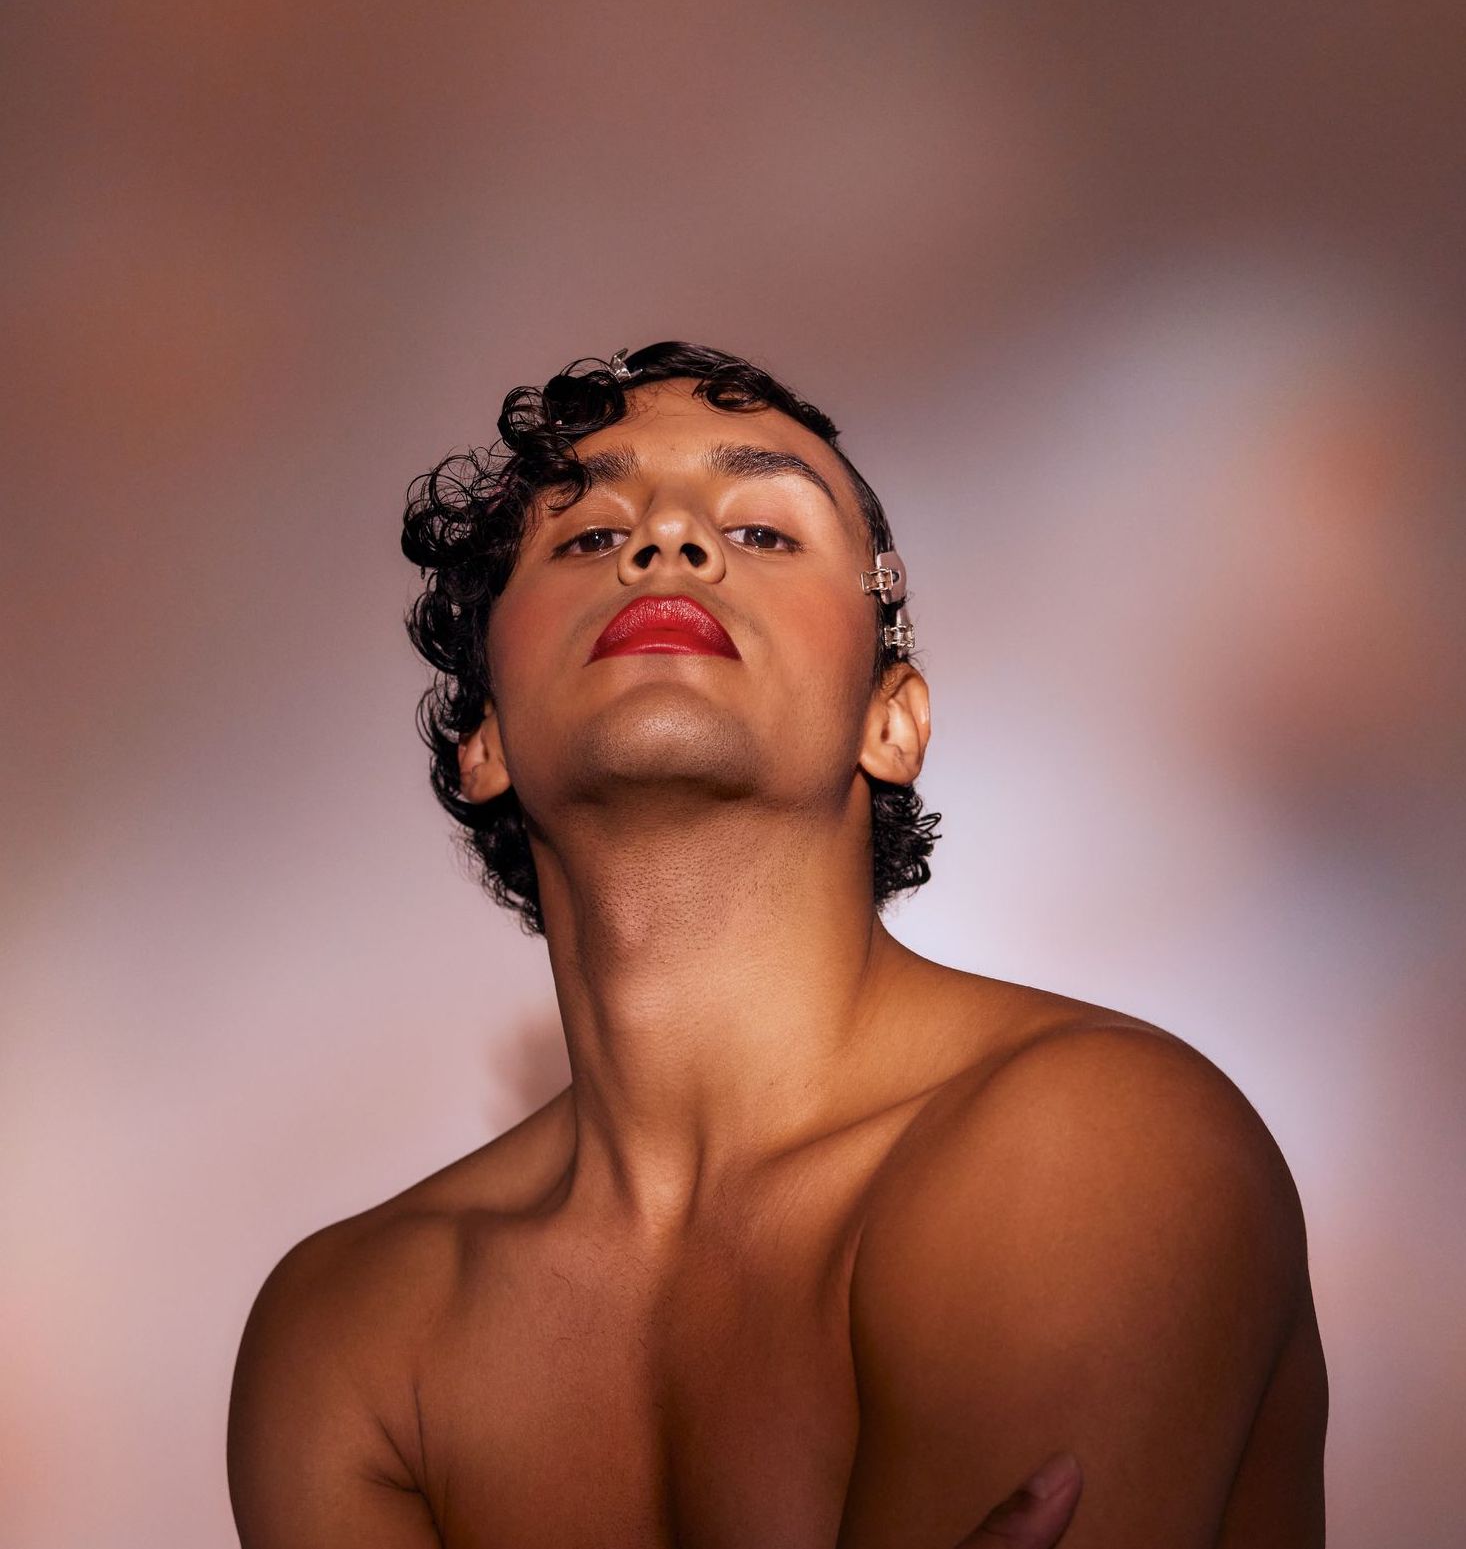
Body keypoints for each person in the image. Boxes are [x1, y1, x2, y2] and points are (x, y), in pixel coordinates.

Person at [226, 342, 1328, 1546]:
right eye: (587, 536)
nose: (667, 543)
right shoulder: (344, 1328)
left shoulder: (1096, 1136)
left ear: (888, 718)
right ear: (483, 734)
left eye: (761, 531)